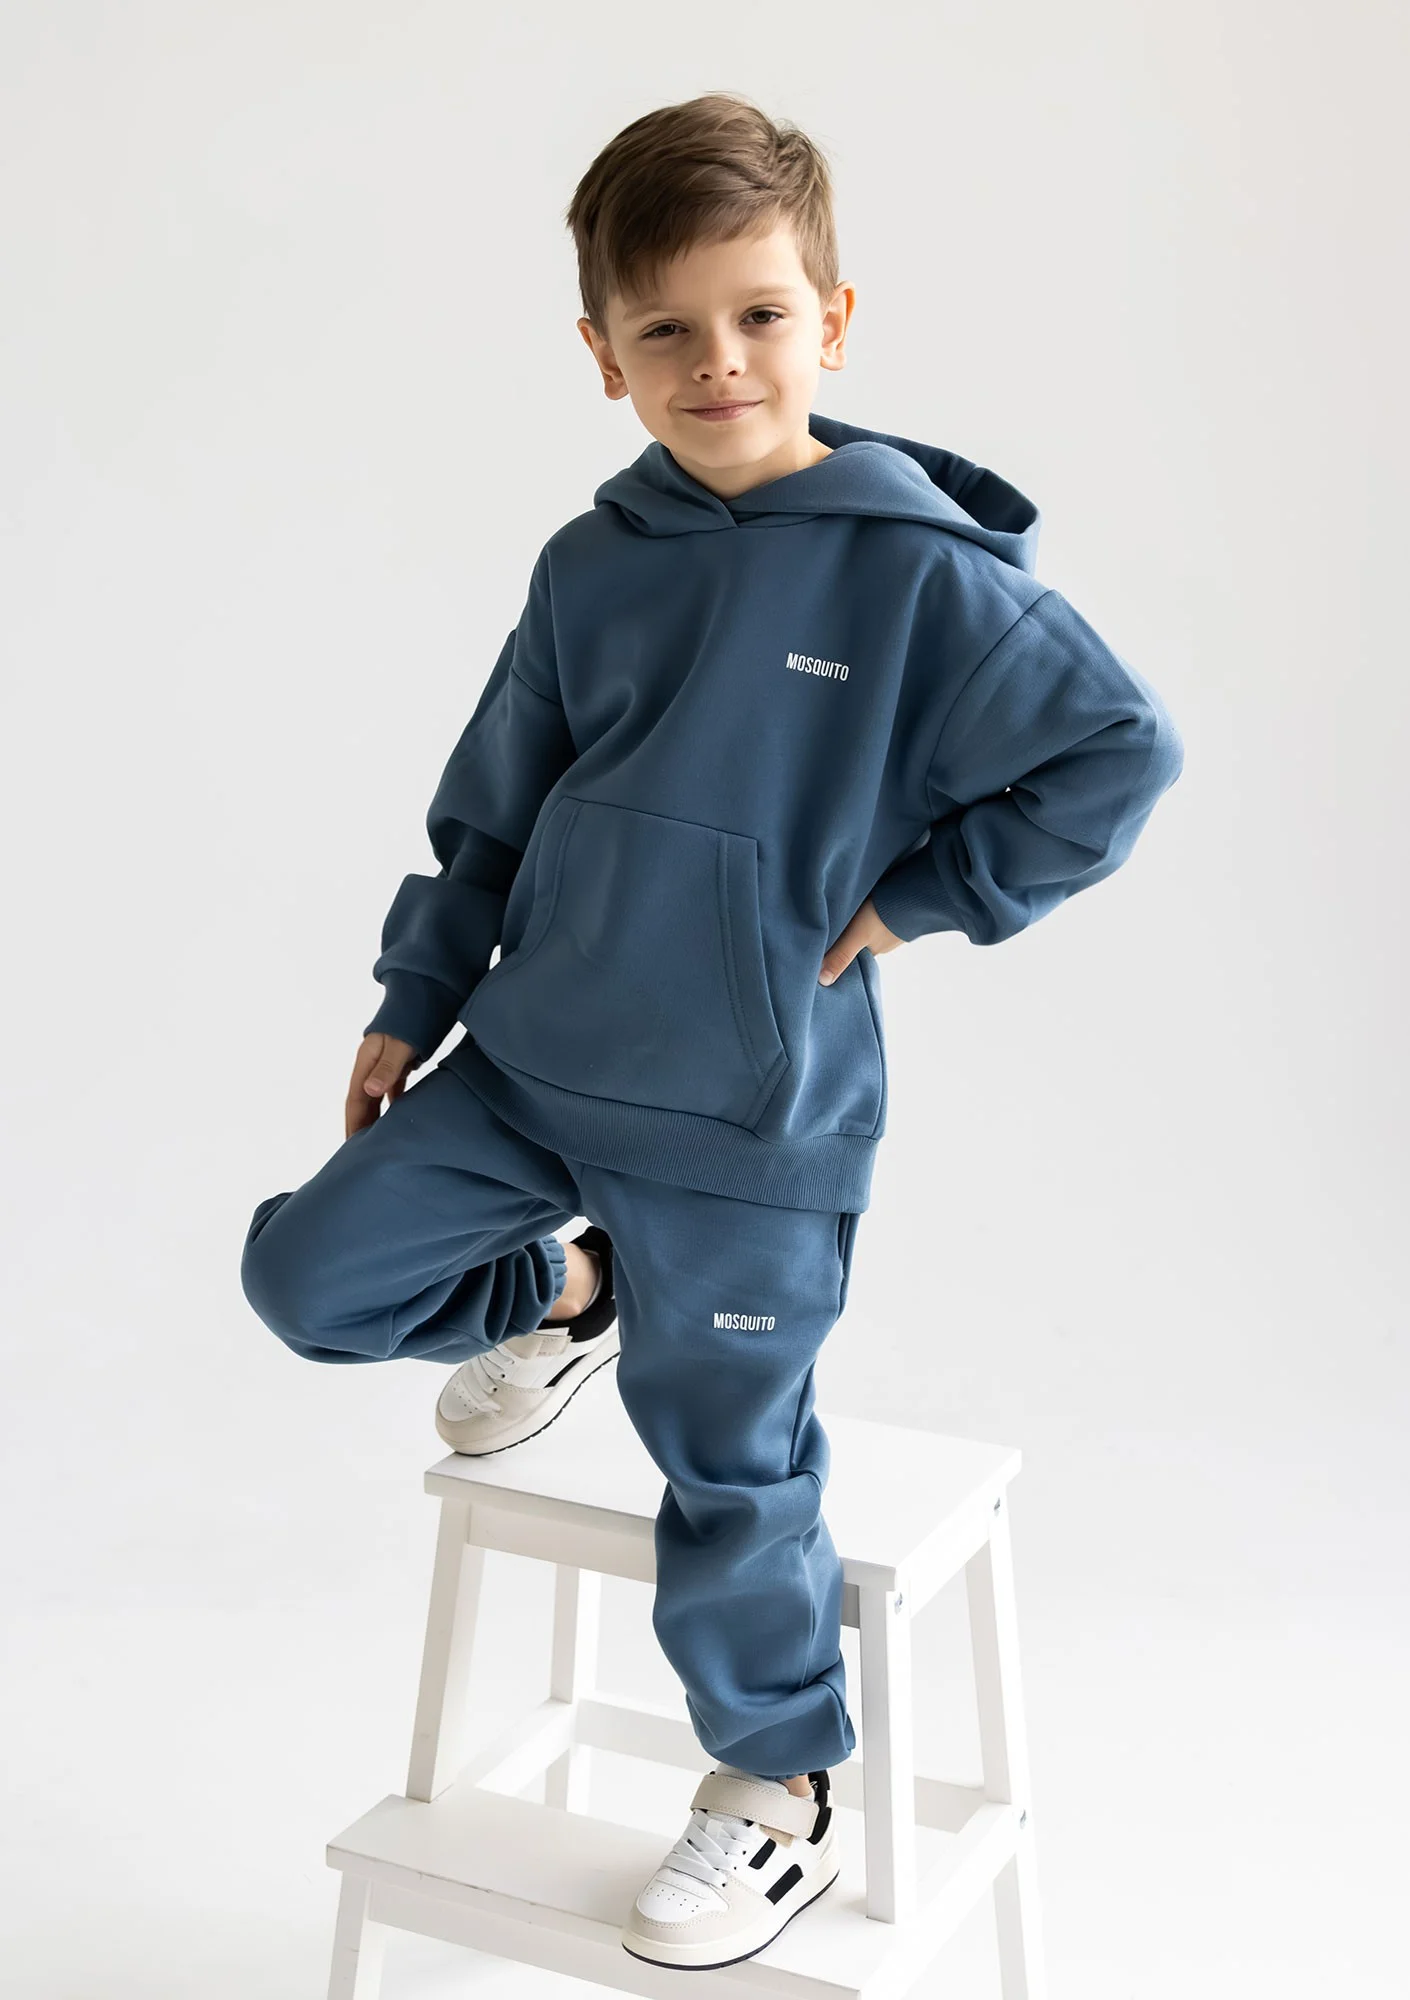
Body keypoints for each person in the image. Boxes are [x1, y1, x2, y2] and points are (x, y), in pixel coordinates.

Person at [240, 90, 1184, 1971]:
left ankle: (777, 1786)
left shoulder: (919, 577)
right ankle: (572, 1291)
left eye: (758, 314)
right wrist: (414, 997)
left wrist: (921, 898)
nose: (717, 361)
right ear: (603, 354)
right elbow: (491, 807)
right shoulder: (590, 564)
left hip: (753, 1121)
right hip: (531, 1067)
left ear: (833, 318)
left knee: (731, 1468)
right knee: (307, 1277)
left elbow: (1116, 753)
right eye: (664, 327)